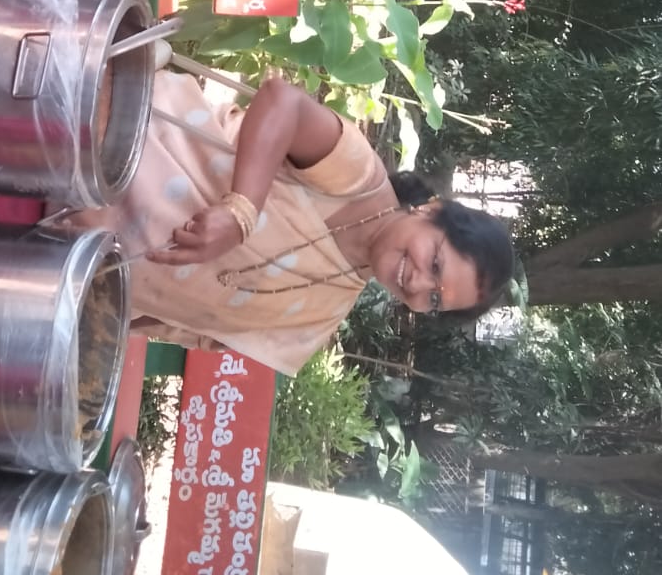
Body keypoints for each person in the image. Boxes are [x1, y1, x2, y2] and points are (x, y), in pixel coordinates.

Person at [74, 66, 515, 374]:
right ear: (430, 211)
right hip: (98, 136)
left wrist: (78, 310)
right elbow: (282, 102)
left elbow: (190, 325)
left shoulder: (315, 325)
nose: (418, 284)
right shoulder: (358, 179)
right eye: (435, 263)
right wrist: (241, 211)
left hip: (69, 253)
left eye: (434, 300)